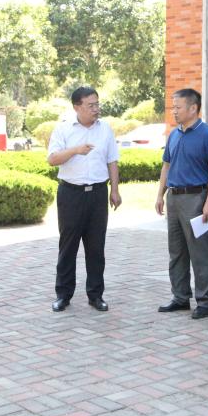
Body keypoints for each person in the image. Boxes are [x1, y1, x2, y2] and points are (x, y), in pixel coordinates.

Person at [47, 86, 121, 312]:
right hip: (71, 194)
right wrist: (75, 150)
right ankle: (63, 295)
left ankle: (96, 295)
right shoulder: (63, 129)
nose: (96, 109)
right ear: (77, 107)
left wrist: (114, 190)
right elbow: (52, 159)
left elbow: (112, 161)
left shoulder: (105, 129)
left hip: (98, 194)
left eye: (97, 104)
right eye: (91, 105)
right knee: (68, 246)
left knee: (96, 247)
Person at [155, 88, 208, 319]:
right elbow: (166, 166)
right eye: (173, 107)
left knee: (200, 253)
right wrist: (160, 195)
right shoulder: (174, 134)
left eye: (178, 107)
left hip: (196, 199)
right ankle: (180, 297)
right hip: (173, 199)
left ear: (193, 108)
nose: (174, 111)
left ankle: (205, 302)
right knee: (176, 252)